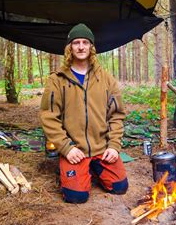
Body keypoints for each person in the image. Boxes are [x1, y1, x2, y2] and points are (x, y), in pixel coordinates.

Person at [39, 23, 128, 203]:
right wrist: (66, 147)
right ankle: (75, 170)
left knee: (120, 187)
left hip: (102, 148)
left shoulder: (105, 78)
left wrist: (114, 145)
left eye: (85, 42)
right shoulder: (57, 80)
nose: (81, 47)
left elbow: (116, 115)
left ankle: (94, 166)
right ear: (69, 47)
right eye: (76, 42)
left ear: (91, 47)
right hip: (75, 149)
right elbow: (48, 117)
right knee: (76, 197)